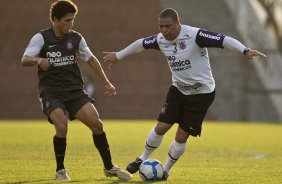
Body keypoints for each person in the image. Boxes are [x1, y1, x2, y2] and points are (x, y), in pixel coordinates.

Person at [103, 8, 266, 181]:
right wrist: (118, 55)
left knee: (181, 137)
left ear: (178, 24)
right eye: (161, 26)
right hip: (178, 90)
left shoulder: (195, 35)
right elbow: (140, 43)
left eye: (168, 26)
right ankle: (142, 158)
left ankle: (165, 170)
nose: (164, 30)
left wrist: (245, 50)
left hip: (201, 94)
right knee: (161, 127)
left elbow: (224, 40)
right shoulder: (160, 39)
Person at [21, 0, 132, 181]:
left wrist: (106, 82)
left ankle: (109, 167)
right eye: (66, 20)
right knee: (62, 125)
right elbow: (24, 59)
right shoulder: (41, 38)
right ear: (55, 19)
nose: (70, 24)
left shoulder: (76, 38)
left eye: (72, 20)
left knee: (97, 125)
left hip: (74, 90)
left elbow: (91, 59)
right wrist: (38, 61)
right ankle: (60, 171)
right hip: (51, 91)